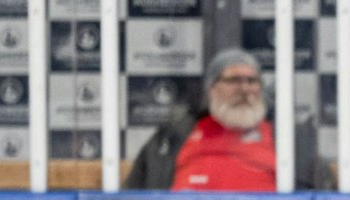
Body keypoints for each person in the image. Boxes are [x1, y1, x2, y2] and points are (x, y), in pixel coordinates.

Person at [123, 49, 330, 191]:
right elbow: (134, 196)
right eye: (233, 80)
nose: (244, 89)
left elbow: (323, 197)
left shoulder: (289, 137)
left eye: (252, 81)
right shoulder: (174, 134)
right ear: (211, 88)